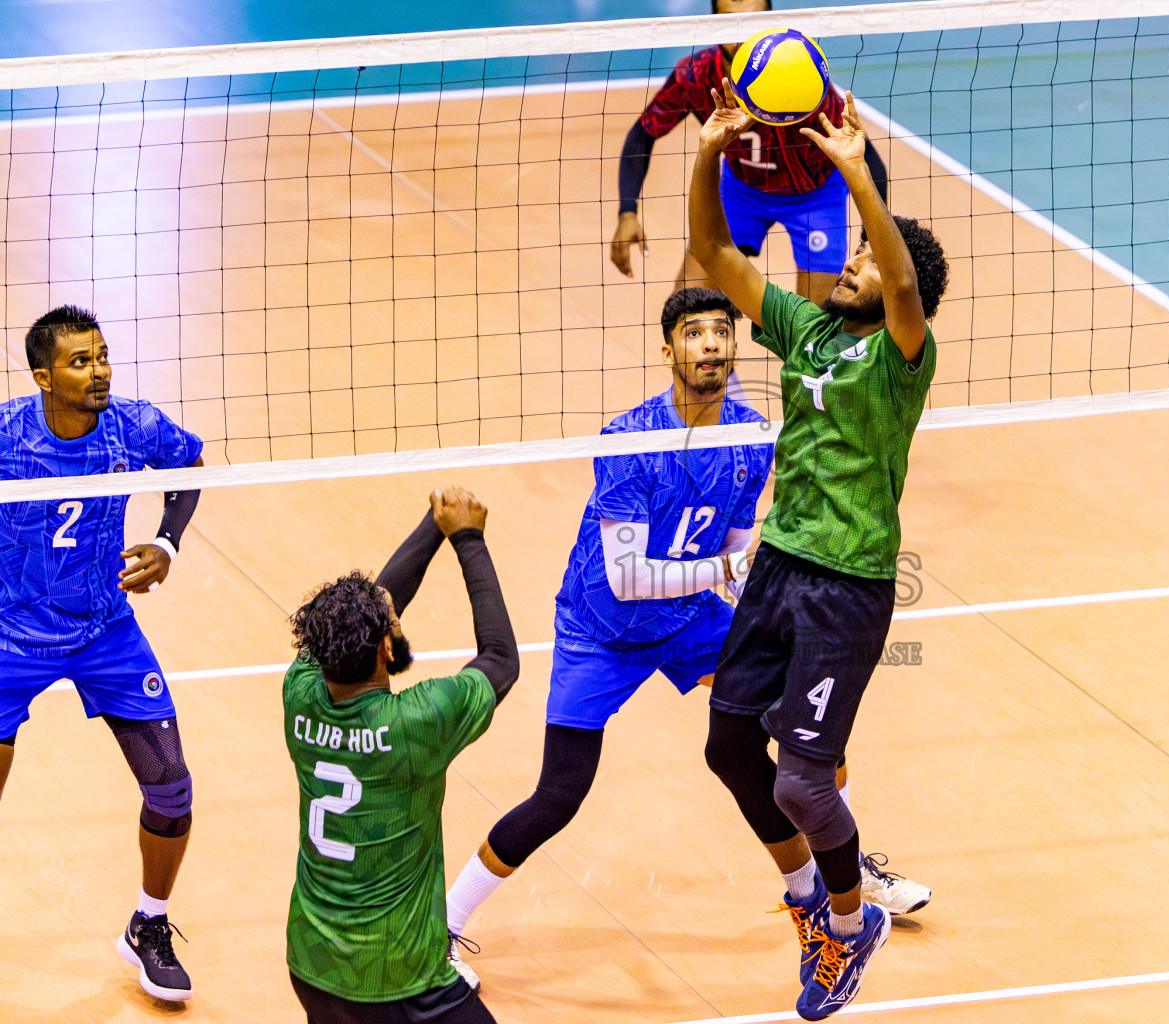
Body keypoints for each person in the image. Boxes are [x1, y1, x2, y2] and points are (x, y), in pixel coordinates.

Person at [442, 288, 928, 983]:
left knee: (804, 723)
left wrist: (746, 595)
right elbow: (629, 576)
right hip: (600, 631)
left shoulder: (750, 437)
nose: (709, 344)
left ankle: (842, 878)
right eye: (693, 334)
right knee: (560, 793)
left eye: (720, 332)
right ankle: (448, 922)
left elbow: (732, 549)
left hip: (692, 622)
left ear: (734, 347)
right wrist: (727, 569)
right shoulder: (630, 440)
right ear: (668, 351)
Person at [688, 83, 950, 1021]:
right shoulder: (805, 331)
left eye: (866, 266)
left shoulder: (900, 357)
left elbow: (907, 286)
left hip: (848, 586)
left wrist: (852, 176)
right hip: (779, 569)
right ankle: (810, 900)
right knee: (728, 745)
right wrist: (710, 151)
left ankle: (848, 923)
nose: (850, 269)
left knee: (801, 775)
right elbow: (719, 255)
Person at [0, 305, 204, 1002]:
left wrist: (168, 541)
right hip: (9, 638)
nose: (100, 371)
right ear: (43, 377)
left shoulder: (132, 424)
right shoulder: (5, 434)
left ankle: (149, 925)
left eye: (103, 355)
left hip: (104, 633)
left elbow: (191, 465)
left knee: (171, 788)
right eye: (80, 362)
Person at [283, 487, 518, 1024]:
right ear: (387, 650)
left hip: (312, 964)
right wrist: (467, 539)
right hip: (400, 978)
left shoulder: (300, 691)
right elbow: (501, 659)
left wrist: (434, 526)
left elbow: (373, 609)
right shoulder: (415, 722)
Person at [611, 0, 889, 307]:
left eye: (754, 21)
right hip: (742, 190)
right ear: (714, 24)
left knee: (821, 329)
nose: (744, 33)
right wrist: (627, 212)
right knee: (687, 309)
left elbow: (869, 161)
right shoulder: (696, 76)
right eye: (733, 22)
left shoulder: (799, 78)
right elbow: (642, 134)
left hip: (815, 197)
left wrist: (871, 245)